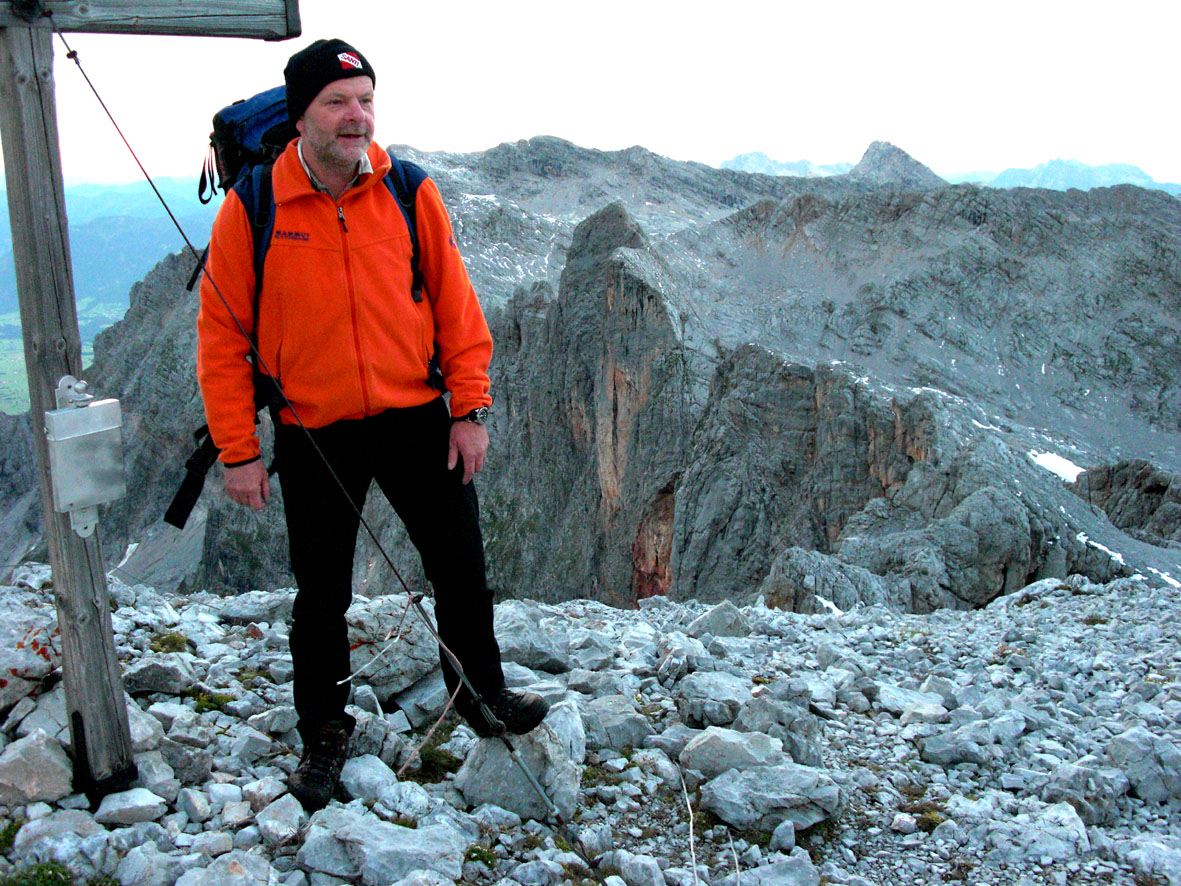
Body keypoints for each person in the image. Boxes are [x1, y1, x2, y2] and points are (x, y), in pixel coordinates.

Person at [196, 38, 548, 810]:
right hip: (313, 427)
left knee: (460, 568)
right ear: (301, 117)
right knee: (321, 594)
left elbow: (456, 306)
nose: (356, 116)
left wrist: (470, 410)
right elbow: (221, 338)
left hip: (416, 417)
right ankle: (324, 729)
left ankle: (480, 694)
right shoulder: (253, 205)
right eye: (337, 102)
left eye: (365, 101)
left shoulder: (407, 190)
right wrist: (237, 449)